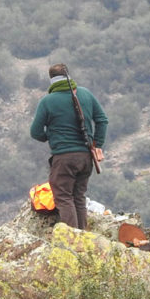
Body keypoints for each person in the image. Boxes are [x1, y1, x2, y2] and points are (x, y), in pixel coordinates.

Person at [29, 64, 108, 230]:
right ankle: (83, 236)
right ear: (69, 76)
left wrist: (50, 137)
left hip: (63, 158)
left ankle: (72, 239)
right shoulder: (85, 94)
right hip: (86, 157)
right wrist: (97, 144)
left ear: (51, 80)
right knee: (78, 197)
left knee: (63, 197)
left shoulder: (47, 102)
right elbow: (102, 120)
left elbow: (35, 132)